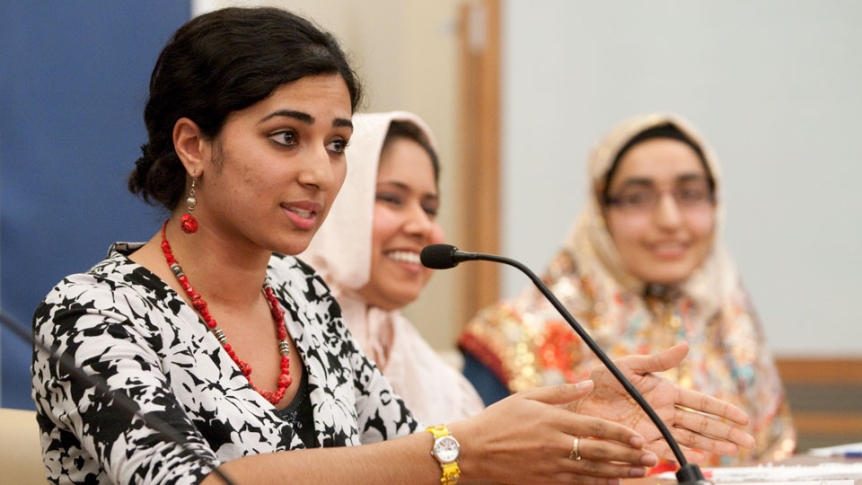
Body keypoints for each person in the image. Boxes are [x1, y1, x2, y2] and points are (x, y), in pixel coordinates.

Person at [30, 9, 755, 485]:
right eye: (287, 137)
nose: (320, 171)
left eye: (337, 144)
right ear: (194, 144)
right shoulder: (91, 314)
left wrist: (559, 420)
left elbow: (412, 448)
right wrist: (462, 450)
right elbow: (185, 483)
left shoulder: (303, 297)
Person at [459, 112, 796, 466]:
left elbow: (774, 459)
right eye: (638, 197)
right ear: (601, 212)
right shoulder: (512, 337)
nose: (669, 219)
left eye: (691, 194)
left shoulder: (731, 325)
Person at [299, 111, 485, 425]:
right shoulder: (277, 346)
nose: (422, 226)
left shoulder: (443, 387)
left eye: (430, 209)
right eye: (391, 198)